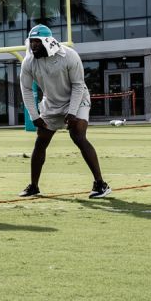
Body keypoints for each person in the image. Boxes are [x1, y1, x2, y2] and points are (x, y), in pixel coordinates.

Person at [19, 24, 110, 198]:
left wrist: (72, 112)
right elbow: (26, 89)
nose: (33, 46)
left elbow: (78, 85)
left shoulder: (70, 56)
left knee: (77, 136)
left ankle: (100, 184)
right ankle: (34, 186)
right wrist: (35, 116)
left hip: (77, 99)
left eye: (37, 42)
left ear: (48, 42)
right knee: (41, 141)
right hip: (51, 103)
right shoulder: (29, 62)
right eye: (32, 42)